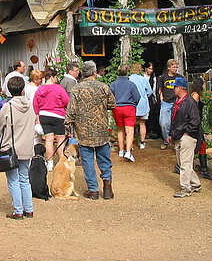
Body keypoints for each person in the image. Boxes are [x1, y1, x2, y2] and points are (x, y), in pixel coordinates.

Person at [64, 61, 116, 200]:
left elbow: (71, 110)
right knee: (104, 158)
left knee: (87, 160)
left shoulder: (77, 89)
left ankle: (93, 190)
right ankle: (107, 187)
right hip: (101, 129)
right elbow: (112, 103)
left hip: (84, 131)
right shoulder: (103, 87)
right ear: (94, 73)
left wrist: (68, 125)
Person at [0, 75, 37, 219]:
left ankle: (18, 210)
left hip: (12, 147)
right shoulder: (29, 105)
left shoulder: (8, 106)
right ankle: (29, 209)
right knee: (24, 178)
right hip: (27, 146)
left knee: (13, 179)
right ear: (23, 89)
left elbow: (0, 123)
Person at [169, 77, 203, 197]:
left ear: (180, 88)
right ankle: (195, 183)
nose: (173, 89)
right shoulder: (178, 102)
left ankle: (185, 188)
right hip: (179, 135)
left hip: (187, 136)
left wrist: (187, 133)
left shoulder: (190, 102)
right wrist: (171, 134)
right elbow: (173, 120)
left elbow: (195, 121)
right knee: (182, 162)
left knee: (185, 163)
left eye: (175, 87)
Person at [32, 67, 70, 171]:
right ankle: (62, 161)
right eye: (56, 77)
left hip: (44, 115)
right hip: (58, 116)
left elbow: (35, 104)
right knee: (60, 139)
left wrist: (37, 115)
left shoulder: (39, 89)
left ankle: (49, 162)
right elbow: (67, 101)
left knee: (48, 140)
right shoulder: (58, 88)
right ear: (52, 77)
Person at [110, 64, 140, 162]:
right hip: (129, 108)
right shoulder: (131, 84)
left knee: (120, 129)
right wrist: (133, 104)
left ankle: (121, 150)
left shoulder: (114, 84)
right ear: (127, 72)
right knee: (130, 131)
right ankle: (128, 152)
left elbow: (110, 97)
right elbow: (137, 97)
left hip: (117, 108)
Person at [190, 77, 212, 180]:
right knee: (199, 144)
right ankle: (203, 170)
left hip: (197, 123)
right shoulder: (195, 95)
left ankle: (204, 169)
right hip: (196, 124)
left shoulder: (196, 94)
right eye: (203, 84)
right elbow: (194, 110)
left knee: (202, 144)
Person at [156, 59, 181, 150]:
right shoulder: (163, 77)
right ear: (169, 67)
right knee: (163, 123)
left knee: (177, 124)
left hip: (176, 102)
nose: (175, 69)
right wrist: (161, 97)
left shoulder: (179, 77)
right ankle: (166, 141)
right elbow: (160, 89)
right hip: (166, 102)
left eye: (176, 67)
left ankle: (176, 141)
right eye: (174, 67)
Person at [129, 63, 153, 150]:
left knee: (131, 125)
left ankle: (130, 143)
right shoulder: (144, 79)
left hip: (132, 104)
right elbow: (150, 92)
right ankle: (142, 143)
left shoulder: (129, 79)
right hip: (143, 104)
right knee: (142, 123)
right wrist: (144, 95)